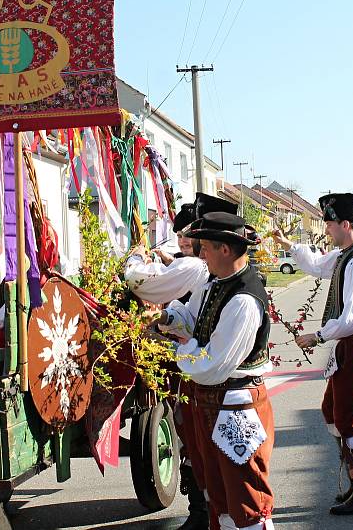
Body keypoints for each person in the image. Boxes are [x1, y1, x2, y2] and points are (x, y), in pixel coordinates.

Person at [124, 192, 237, 530]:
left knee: (198, 439)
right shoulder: (206, 270)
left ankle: (207, 513)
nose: (187, 240)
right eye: (189, 233)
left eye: (195, 233)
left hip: (205, 371)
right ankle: (206, 512)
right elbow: (188, 313)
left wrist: (133, 260)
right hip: (202, 367)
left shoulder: (197, 267)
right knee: (198, 440)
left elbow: (145, 285)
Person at [157, 211, 275, 530]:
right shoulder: (214, 285)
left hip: (237, 406)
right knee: (218, 496)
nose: (200, 254)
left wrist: (180, 347)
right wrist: (167, 320)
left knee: (247, 501)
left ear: (225, 249)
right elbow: (191, 318)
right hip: (212, 403)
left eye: (205, 247)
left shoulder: (244, 300)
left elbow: (212, 366)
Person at [272, 193, 353, 515]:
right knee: (332, 410)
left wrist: (317, 335)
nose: (327, 228)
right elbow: (316, 265)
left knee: (348, 419)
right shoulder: (343, 255)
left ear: (345, 224)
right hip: (349, 341)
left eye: (330, 223)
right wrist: (288, 244)